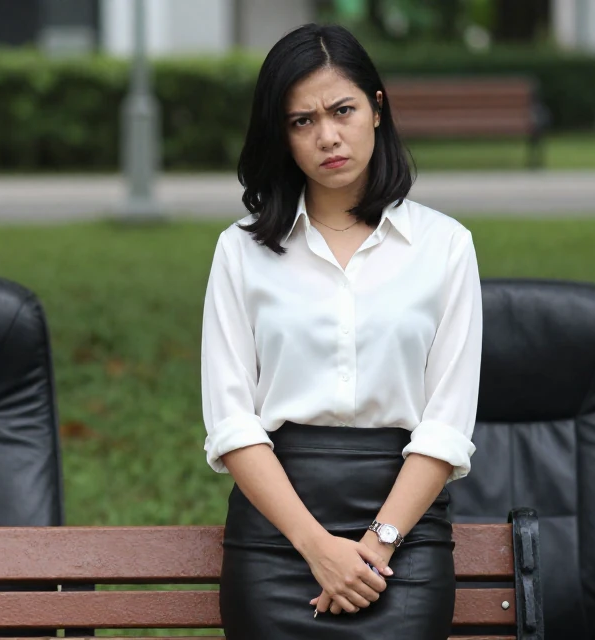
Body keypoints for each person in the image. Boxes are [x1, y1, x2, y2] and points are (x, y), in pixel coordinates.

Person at [200, 23, 482, 639]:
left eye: (342, 110)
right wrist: (316, 546)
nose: (327, 136)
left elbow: (447, 422)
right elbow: (231, 421)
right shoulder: (241, 251)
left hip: (403, 541)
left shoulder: (445, 246)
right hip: (277, 538)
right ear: (282, 136)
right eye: (302, 121)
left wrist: (377, 546)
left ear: (377, 108)